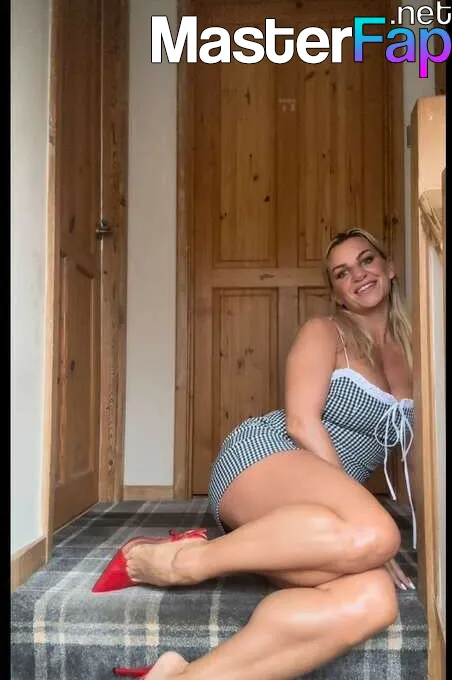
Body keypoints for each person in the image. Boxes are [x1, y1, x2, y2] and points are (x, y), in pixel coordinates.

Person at [94, 228, 417, 680]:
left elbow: (411, 456)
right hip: (265, 457)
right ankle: (186, 562)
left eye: (366, 261)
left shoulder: (415, 353)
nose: (358, 275)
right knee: (377, 534)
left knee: (374, 600)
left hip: (325, 511)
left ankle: (180, 675)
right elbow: (301, 423)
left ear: (390, 267)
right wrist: (370, 528)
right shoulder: (326, 332)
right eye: (342, 273)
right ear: (335, 292)